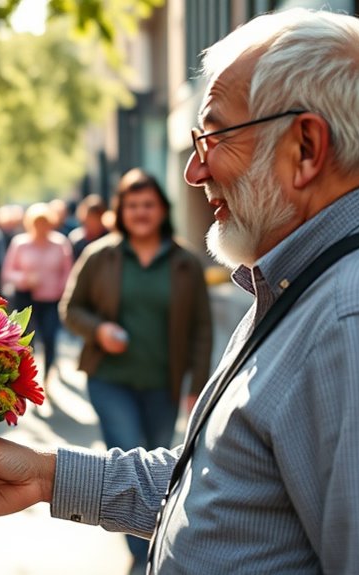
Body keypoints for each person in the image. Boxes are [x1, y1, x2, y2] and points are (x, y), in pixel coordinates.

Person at [0, 9, 359, 574]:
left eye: (214, 136)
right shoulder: (323, 282)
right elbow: (227, 490)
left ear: (306, 147)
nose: (196, 171)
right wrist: (47, 476)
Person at [59, 168, 212, 568]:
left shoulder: (185, 263)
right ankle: (144, 555)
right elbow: (70, 309)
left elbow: (201, 327)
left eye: (149, 205)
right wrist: (99, 329)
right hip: (110, 381)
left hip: (164, 383)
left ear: (163, 208)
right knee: (129, 456)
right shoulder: (101, 255)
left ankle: (148, 545)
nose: (141, 213)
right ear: (120, 211)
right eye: (132, 205)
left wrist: (198, 385)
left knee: (157, 467)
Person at [0, 202, 74, 386]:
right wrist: (23, 279)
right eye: (37, 223)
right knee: (26, 342)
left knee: (49, 338)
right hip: (26, 299)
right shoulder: (20, 243)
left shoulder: (60, 243)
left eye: (44, 222)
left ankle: (47, 378)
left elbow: (69, 272)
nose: (41, 227)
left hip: (51, 300)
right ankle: (25, 380)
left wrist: (61, 289)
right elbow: (8, 272)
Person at [67, 193, 108, 261]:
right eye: (90, 218)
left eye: (95, 218)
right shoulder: (76, 240)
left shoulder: (109, 238)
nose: (92, 223)